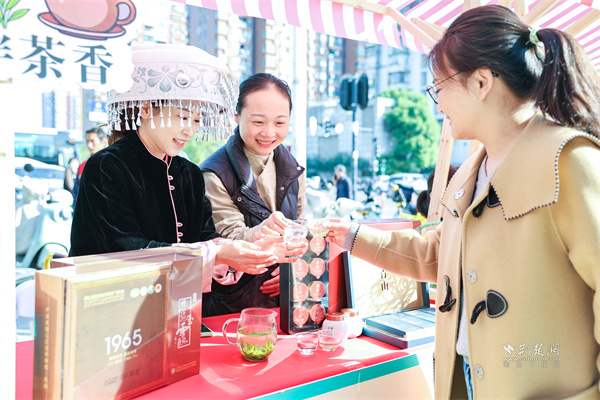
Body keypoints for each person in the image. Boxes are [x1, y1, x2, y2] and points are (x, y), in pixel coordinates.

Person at [324, 5, 599, 399]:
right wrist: (351, 235)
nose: (437, 104)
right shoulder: (473, 169)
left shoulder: (569, 162)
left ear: (482, 82)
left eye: (439, 87)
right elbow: (440, 256)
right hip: (469, 380)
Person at [70, 44, 294, 293]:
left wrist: (251, 243)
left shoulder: (189, 174)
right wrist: (216, 253)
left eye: (196, 120)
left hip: (176, 301)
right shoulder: (106, 167)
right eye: (183, 117)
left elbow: (205, 237)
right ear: (146, 109)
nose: (190, 130)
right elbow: (126, 248)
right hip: (109, 301)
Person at [201, 72, 307, 317]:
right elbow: (228, 239)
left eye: (279, 123)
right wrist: (267, 240)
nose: (269, 133)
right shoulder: (213, 174)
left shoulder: (294, 168)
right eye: (258, 122)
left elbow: (302, 228)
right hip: (233, 305)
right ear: (236, 116)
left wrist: (293, 265)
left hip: (284, 301)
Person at [72, 126, 108, 204]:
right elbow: (76, 193)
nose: (89, 145)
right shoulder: (82, 166)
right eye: (87, 141)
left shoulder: (110, 163)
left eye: (92, 141)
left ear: (103, 141)